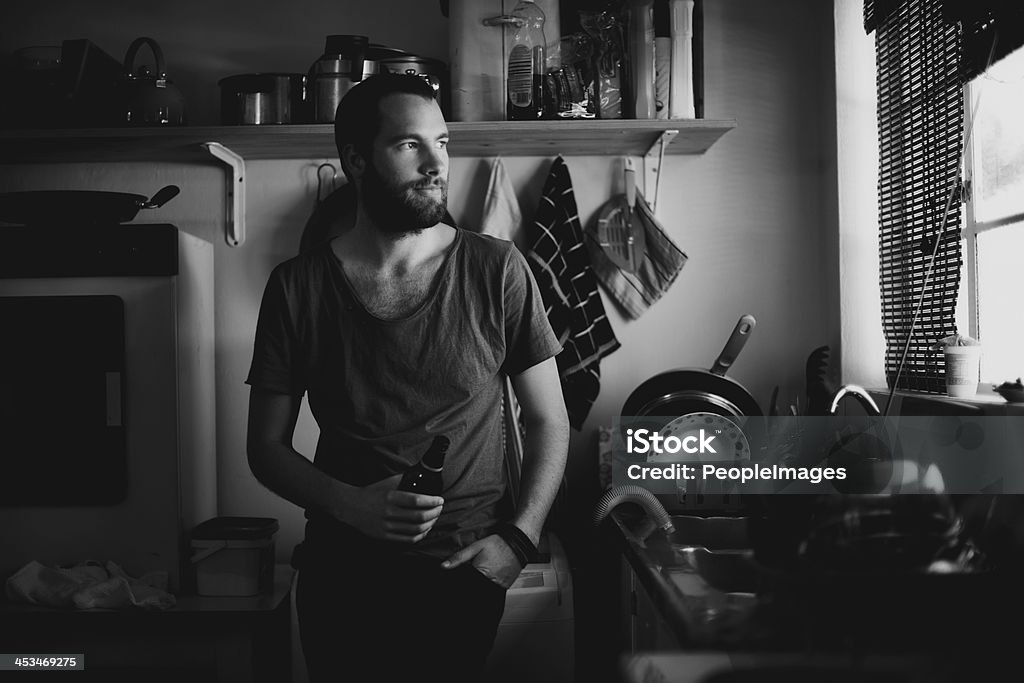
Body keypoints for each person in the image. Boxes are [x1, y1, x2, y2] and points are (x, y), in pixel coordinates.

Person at [245, 73, 570, 683]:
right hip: (341, 574)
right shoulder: (296, 287)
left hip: (463, 570)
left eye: (441, 142)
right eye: (408, 145)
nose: (435, 163)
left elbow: (551, 417)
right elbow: (264, 448)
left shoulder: (496, 269)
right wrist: (352, 505)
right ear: (356, 160)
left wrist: (518, 541)